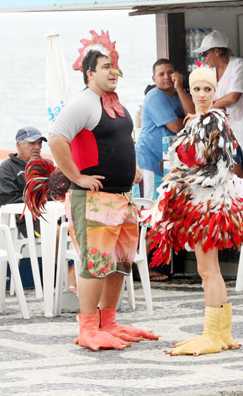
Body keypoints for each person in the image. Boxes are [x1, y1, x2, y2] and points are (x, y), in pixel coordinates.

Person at [41, 29, 157, 351]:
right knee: (95, 263)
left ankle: (109, 321)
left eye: (115, 66)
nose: (113, 72)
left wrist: (131, 168)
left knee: (120, 260)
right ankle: (88, 326)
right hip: (93, 199)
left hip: (122, 196)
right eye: (106, 66)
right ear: (90, 73)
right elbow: (56, 138)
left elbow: (121, 141)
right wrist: (76, 177)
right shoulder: (83, 102)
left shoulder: (115, 104)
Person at [145, 66, 243, 356]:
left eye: (207, 89)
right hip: (202, 202)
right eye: (196, 89)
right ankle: (222, 333)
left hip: (207, 205)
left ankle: (212, 335)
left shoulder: (213, 122)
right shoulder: (196, 121)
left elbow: (222, 169)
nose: (201, 95)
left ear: (214, 92)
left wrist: (185, 180)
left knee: (206, 269)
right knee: (212, 270)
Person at [193, 30, 243, 181]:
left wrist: (211, 106)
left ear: (217, 51)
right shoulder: (209, 71)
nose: (203, 58)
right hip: (225, 132)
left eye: (205, 54)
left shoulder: (238, 65)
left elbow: (233, 97)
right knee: (235, 176)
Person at [135, 59, 194, 199]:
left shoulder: (178, 94)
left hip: (168, 163)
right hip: (149, 162)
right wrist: (189, 122)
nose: (167, 77)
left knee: (166, 209)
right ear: (154, 79)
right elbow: (176, 127)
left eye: (170, 73)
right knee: (149, 207)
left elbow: (193, 115)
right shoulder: (154, 96)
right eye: (161, 74)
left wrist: (179, 89)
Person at [0, 126, 46, 237]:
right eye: (32, 143)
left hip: (54, 214)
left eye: (40, 143)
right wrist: (37, 197)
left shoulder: (47, 164)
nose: (37, 147)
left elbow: (57, 192)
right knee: (54, 230)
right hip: (29, 220)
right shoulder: (7, 168)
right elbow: (7, 201)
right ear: (18, 145)